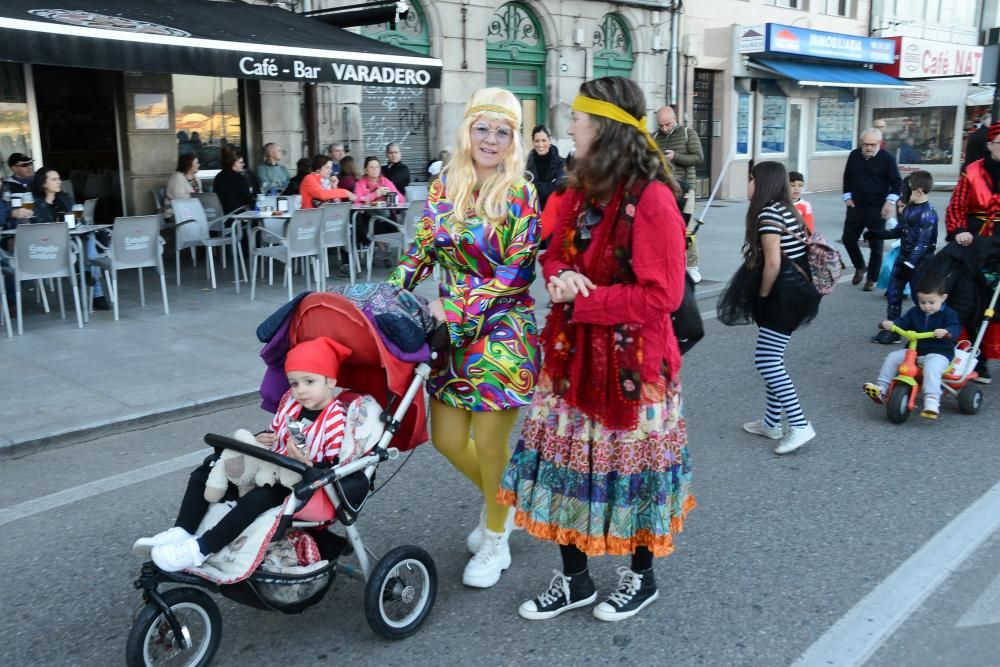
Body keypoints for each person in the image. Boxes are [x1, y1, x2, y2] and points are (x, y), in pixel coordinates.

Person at [500, 76, 692, 622]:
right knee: (566, 466)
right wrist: (559, 276)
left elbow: (664, 294)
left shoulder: (652, 197)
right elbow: (553, 249)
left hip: (634, 365)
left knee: (630, 475)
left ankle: (641, 576)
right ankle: (575, 580)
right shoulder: (575, 189)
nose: (569, 129)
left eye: (577, 121)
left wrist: (586, 301)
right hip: (570, 355)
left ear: (603, 128)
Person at [387, 87, 540, 589]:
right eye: (483, 128)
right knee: (449, 441)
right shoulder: (444, 184)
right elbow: (422, 252)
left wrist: (453, 307)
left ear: (513, 139)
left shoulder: (521, 191)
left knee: (492, 447)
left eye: (502, 131)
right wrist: (385, 299)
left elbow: (518, 272)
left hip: (502, 335)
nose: (491, 140)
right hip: (448, 337)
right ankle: (507, 504)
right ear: (467, 130)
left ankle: (496, 536)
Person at [138, 336, 352, 571]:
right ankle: (183, 530)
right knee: (207, 469)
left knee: (260, 497)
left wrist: (307, 462)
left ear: (330, 381)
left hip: (302, 484)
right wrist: (263, 437)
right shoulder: (291, 404)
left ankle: (201, 549)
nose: (300, 390)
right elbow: (275, 433)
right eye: (294, 383)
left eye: (309, 381)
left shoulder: (336, 419)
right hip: (269, 466)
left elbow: (333, 466)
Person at [719, 161, 820, 455]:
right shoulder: (786, 209)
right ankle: (771, 423)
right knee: (773, 357)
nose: (749, 184)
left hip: (783, 295)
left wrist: (762, 295)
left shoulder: (767, 214)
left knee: (767, 361)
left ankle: (799, 425)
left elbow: (773, 263)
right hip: (797, 292)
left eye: (752, 179)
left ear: (762, 184)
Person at [943, 120, 1000, 383]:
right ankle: (973, 356)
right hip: (975, 241)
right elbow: (956, 207)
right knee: (969, 299)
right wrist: (958, 231)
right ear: (990, 145)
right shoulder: (972, 171)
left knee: (994, 304)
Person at [864, 274, 961, 419]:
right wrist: (892, 325)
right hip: (914, 351)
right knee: (893, 357)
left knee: (932, 366)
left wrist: (947, 332)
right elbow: (903, 322)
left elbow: (955, 328)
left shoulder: (948, 314)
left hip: (939, 353)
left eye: (931, 302)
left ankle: (932, 399)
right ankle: (882, 388)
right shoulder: (915, 312)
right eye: (922, 302)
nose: (926, 306)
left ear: (943, 297)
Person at [872, 170, 938, 344]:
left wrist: (909, 264)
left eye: (907, 189)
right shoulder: (909, 209)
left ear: (919, 191)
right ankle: (894, 330)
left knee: (921, 298)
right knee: (894, 293)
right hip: (904, 257)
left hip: (920, 262)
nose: (904, 193)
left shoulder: (928, 214)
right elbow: (899, 231)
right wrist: (876, 234)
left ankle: (927, 333)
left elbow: (922, 244)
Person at [32, 167, 110, 310]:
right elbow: (39, 229)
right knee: (85, 250)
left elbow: (77, 221)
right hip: (52, 246)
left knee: (90, 238)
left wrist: (81, 223)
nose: (59, 182)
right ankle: (97, 294)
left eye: (59, 178)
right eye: (54, 179)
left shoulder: (65, 198)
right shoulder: (36, 205)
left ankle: (86, 274)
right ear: (43, 183)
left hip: (73, 242)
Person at [841, 128, 902, 291]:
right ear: (861, 143)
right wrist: (847, 197)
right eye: (865, 144)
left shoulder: (887, 158)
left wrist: (889, 203)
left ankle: (872, 278)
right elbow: (847, 177)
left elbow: (897, 183)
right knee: (848, 238)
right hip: (856, 206)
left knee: (876, 245)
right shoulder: (854, 155)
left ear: (879, 144)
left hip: (878, 208)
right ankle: (860, 266)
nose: (868, 147)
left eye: (873, 144)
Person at [654, 106, 704, 283]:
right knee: (664, 228)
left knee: (686, 228)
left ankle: (692, 265)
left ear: (675, 119)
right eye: (661, 125)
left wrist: (675, 156)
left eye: (667, 124)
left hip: (685, 188)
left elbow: (698, 157)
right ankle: (669, 263)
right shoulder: (654, 137)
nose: (664, 129)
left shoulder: (687, 134)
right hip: (663, 189)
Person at [525, 125, 567, 211]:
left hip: (554, 212)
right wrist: (549, 186)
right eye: (537, 141)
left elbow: (558, 189)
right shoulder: (525, 164)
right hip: (531, 212)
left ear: (550, 141)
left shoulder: (561, 163)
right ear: (533, 142)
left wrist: (533, 185)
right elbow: (524, 191)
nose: (540, 144)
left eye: (544, 140)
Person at [213, 148, 256, 214]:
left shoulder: (218, 177)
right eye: (240, 162)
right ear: (233, 163)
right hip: (239, 216)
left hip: (223, 216)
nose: (243, 164)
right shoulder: (238, 178)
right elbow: (248, 199)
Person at [164, 153, 201, 220]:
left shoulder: (195, 177)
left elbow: (200, 193)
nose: (199, 165)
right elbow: (179, 197)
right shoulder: (178, 177)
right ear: (189, 165)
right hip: (175, 210)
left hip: (190, 208)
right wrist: (196, 197)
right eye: (197, 163)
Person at [3, 153, 34, 229]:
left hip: (40, 228)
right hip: (17, 230)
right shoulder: (7, 186)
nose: (29, 167)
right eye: (24, 165)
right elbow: (5, 212)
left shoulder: (38, 182)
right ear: (14, 168)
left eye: (30, 163)